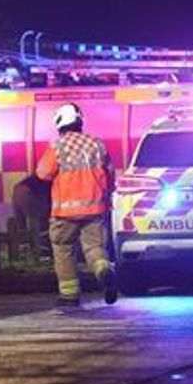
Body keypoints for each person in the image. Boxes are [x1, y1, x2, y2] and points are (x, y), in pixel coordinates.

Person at [35, 103, 117, 307]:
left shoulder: (57, 147)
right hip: (95, 209)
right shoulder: (97, 144)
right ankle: (103, 270)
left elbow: (42, 173)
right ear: (80, 122)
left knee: (63, 248)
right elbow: (110, 174)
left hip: (64, 213)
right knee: (94, 248)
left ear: (59, 124)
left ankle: (69, 295)